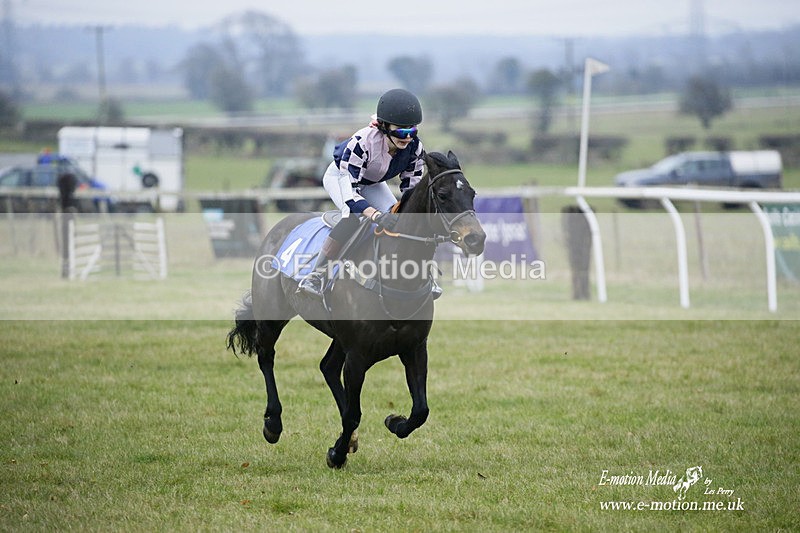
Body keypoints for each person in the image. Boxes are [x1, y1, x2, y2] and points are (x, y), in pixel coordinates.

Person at [298, 88, 426, 296]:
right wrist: (375, 215)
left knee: (398, 217)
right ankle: (316, 274)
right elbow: (351, 196)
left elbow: (411, 189)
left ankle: (412, 276)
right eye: (401, 131)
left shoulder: (415, 148)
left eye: (412, 131)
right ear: (384, 127)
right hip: (341, 178)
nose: (407, 137)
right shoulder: (363, 141)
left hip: (373, 182)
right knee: (353, 217)